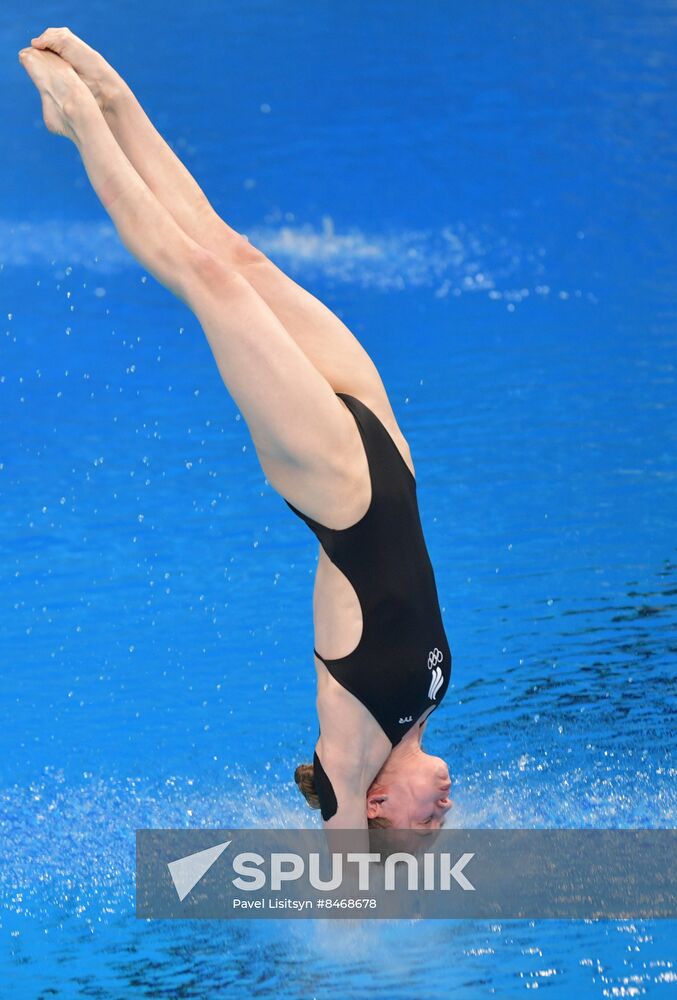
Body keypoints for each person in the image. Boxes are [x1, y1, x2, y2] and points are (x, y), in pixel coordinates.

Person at [19, 28, 454, 830]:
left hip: (336, 490)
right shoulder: (421, 708)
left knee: (207, 279)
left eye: (427, 820)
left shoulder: (350, 751)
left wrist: (359, 890)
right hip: (387, 447)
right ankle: (115, 99)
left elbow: (342, 882)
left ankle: (81, 121)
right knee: (239, 256)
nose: (447, 809)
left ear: (378, 803)